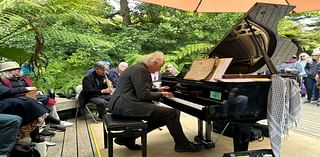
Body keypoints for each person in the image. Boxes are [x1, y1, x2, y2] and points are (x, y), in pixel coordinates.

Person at [107, 51, 201, 152]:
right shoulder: (141, 70)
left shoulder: (137, 67)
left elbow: (139, 89)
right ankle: (182, 144)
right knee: (171, 113)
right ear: (154, 63)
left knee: (165, 116)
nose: (160, 69)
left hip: (121, 104)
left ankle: (127, 138)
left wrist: (159, 90)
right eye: (160, 66)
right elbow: (143, 95)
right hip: (126, 106)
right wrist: (161, 94)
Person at [0, 62, 73, 131]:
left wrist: (35, 91)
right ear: (7, 71)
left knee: (47, 99)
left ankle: (54, 122)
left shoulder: (21, 79)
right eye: (14, 69)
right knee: (37, 102)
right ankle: (43, 128)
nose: (18, 71)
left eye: (18, 69)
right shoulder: (3, 81)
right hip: (15, 100)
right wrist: (26, 89)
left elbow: (30, 88)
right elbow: (8, 92)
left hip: (26, 97)